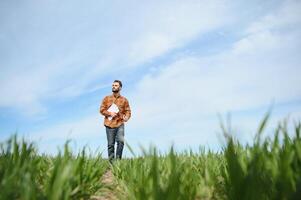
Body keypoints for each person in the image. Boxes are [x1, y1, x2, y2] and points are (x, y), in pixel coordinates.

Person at [99, 80, 131, 163]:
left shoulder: (124, 100)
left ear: (120, 87)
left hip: (120, 123)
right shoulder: (106, 98)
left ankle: (118, 162)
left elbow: (128, 111)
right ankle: (111, 163)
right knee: (110, 145)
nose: (113, 86)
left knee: (121, 142)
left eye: (116, 85)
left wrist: (127, 117)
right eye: (113, 85)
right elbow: (101, 110)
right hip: (109, 124)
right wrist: (109, 113)